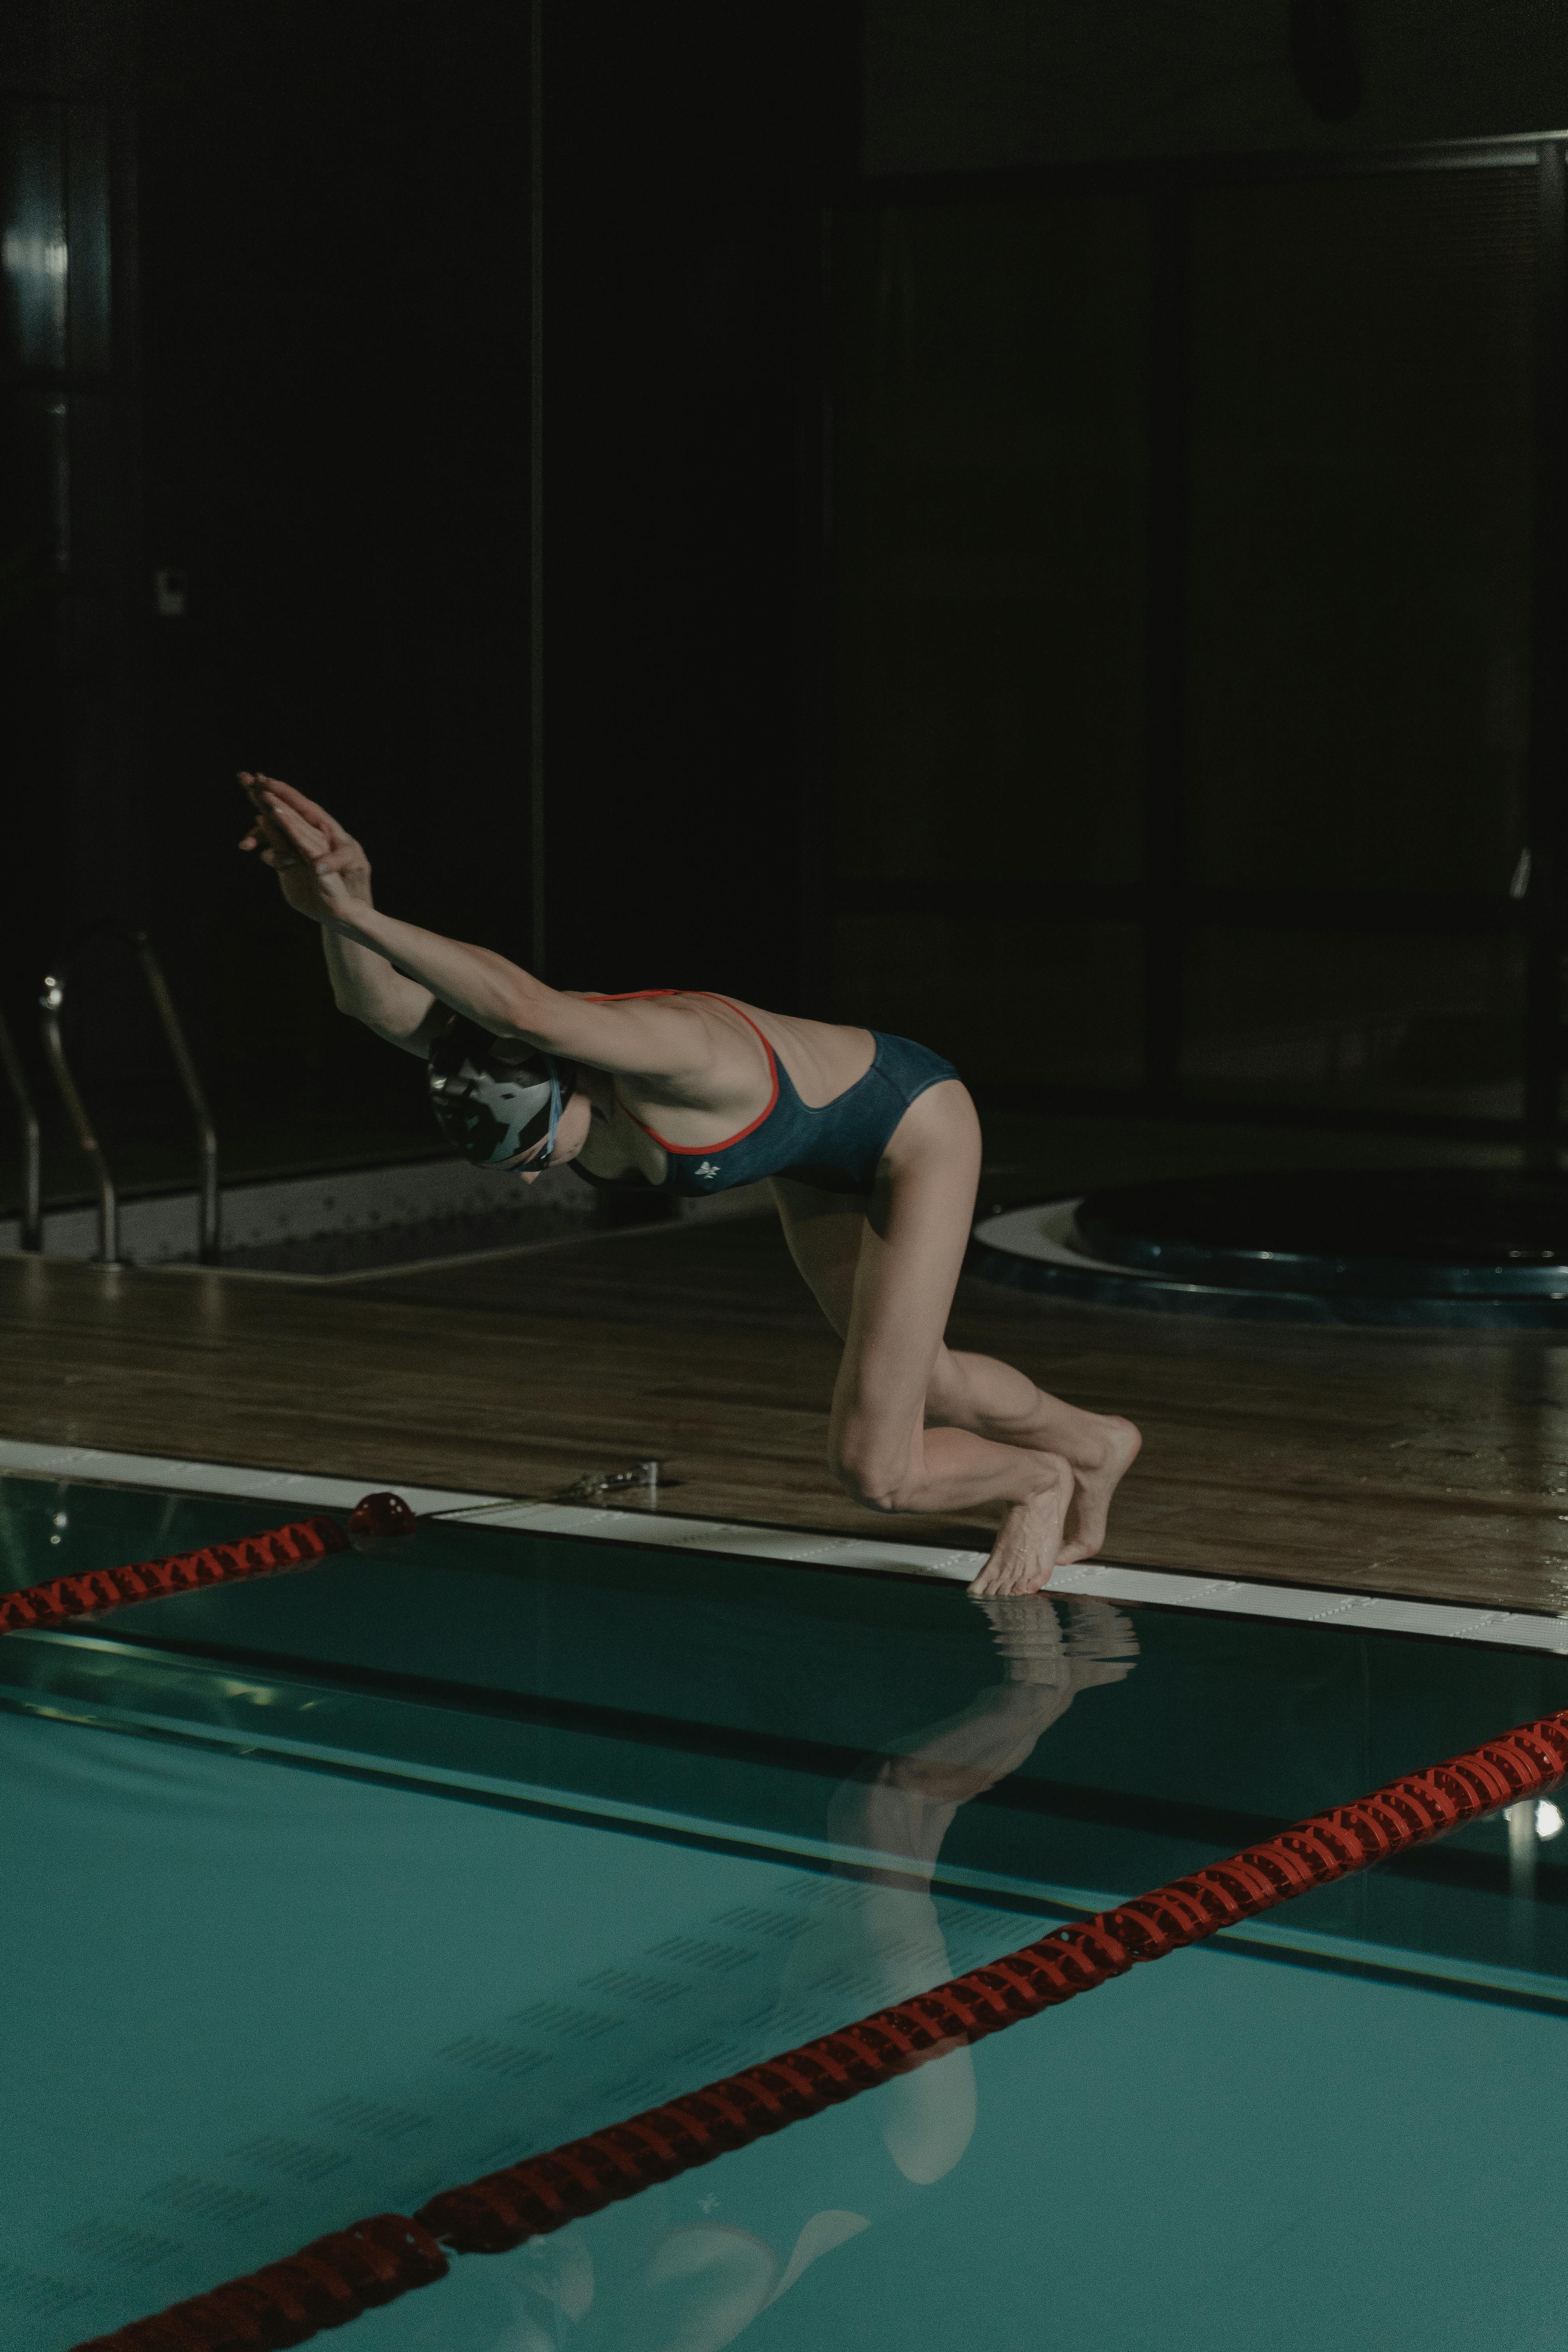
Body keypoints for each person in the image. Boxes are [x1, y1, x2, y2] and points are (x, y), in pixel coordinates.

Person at [237, 772, 1140, 1595]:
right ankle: (1094, 1442)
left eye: (547, 1150)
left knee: (878, 1469)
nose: (550, 1170)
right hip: (810, 1153)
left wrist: (369, 916)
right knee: (929, 1384)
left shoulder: (674, 1053)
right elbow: (375, 1004)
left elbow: (524, 1005)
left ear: (564, 1080)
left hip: (912, 1128)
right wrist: (324, 908)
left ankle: (1035, 1479)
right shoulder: (504, 1060)